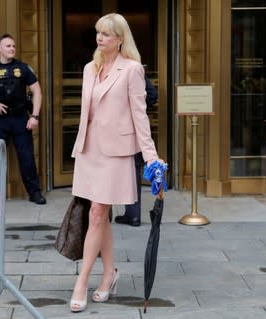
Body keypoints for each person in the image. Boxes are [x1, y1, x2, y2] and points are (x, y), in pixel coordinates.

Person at [69, 13, 163, 312]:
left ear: (120, 38)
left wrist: (151, 158)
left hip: (116, 153)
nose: (100, 38)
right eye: (98, 33)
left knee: (97, 214)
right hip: (90, 150)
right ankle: (110, 274)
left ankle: (81, 281)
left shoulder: (132, 70)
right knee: (99, 214)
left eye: (107, 34)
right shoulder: (89, 68)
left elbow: (139, 115)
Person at [0, 33, 46, 205]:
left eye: (13, 46)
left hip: (20, 118)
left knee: (27, 157)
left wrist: (34, 116)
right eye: (8, 46)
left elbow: (37, 91)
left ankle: (34, 193)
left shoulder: (23, 68)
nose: (12, 48)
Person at [115, 75, 158, 227]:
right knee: (133, 172)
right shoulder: (138, 73)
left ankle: (127, 215)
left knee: (118, 172)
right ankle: (133, 215)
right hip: (136, 130)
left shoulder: (125, 73)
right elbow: (153, 95)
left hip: (119, 131)